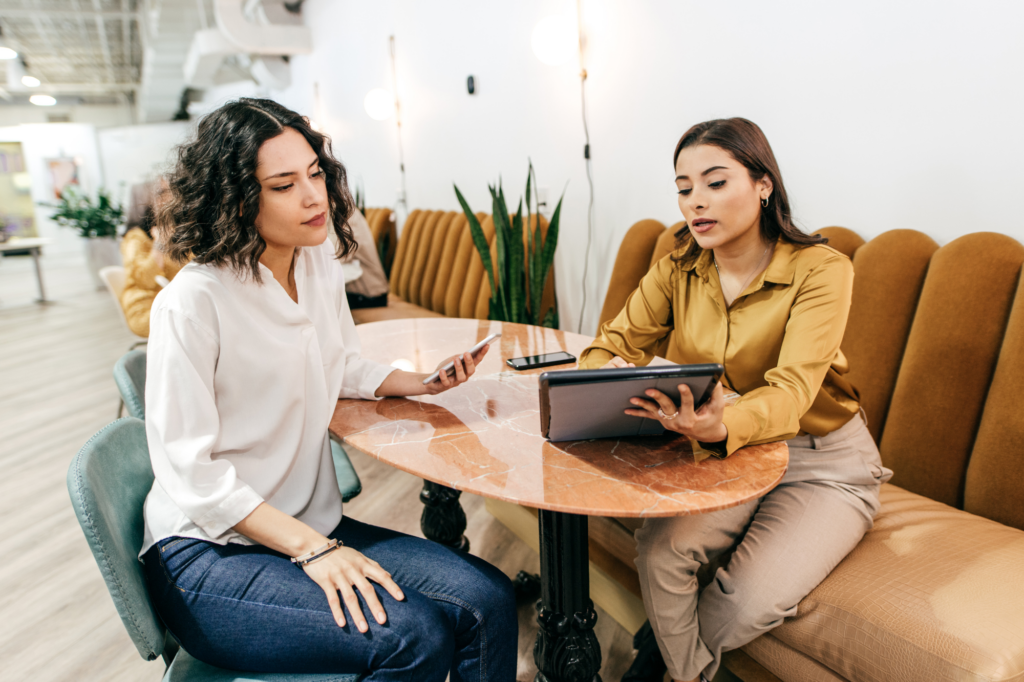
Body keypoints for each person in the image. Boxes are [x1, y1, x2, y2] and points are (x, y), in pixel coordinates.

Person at [140, 98, 516, 682]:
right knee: (411, 638)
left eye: (316, 173)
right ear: (236, 198)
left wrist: (417, 382)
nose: (314, 196)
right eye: (285, 185)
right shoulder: (193, 302)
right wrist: (312, 549)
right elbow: (193, 475)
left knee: (488, 600)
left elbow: (339, 364)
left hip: (304, 521)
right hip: (211, 554)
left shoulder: (315, 264)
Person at [578, 118, 891, 682]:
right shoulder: (677, 267)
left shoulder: (822, 269)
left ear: (763, 184)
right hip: (725, 450)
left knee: (750, 598)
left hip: (821, 460)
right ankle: (688, 674)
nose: (695, 201)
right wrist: (609, 380)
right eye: (683, 187)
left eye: (715, 182)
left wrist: (721, 422)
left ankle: (661, 665)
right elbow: (608, 346)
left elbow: (793, 393)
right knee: (662, 552)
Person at [119, 179, 183, 337]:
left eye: (170, 191)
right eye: (162, 193)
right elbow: (145, 280)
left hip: (173, 302)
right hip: (146, 307)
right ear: (145, 201)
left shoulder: (174, 229)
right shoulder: (135, 237)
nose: (171, 197)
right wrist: (160, 244)